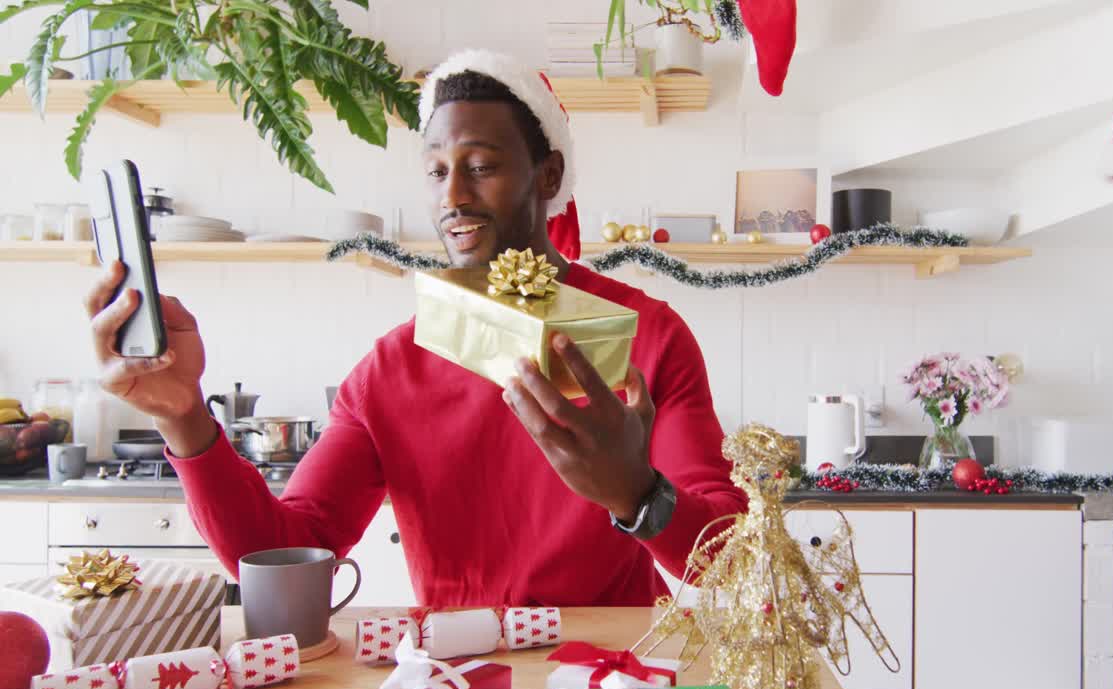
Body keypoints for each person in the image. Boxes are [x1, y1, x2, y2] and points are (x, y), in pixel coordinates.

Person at [82, 49, 746, 607]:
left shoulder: (647, 338)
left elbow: (727, 558)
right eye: (435, 171)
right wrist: (182, 416)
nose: (452, 196)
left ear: (548, 175)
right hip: (455, 682)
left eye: (481, 166)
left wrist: (636, 494)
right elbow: (278, 553)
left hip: (609, 687)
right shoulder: (390, 370)